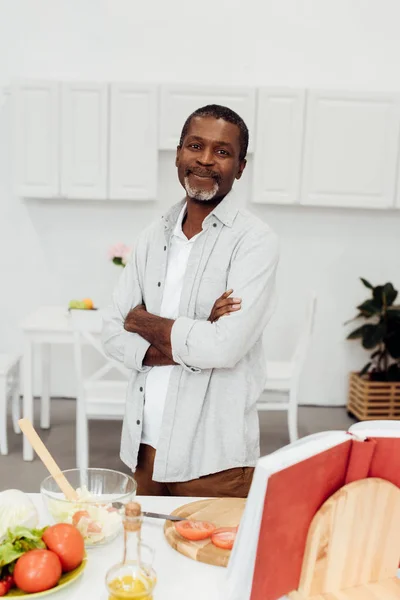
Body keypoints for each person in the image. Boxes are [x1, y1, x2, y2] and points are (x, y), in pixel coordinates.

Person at [102, 104, 279, 497]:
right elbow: (112, 330)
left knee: (210, 559)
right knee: (142, 557)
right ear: (178, 154)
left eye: (222, 151)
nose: (205, 160)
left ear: (241, 166)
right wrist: (197, 334)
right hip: (144, 447)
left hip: (214, 457)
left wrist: (144, 321)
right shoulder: (154, 234)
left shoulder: (254, 241)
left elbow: (226, 346)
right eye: (195, 146)